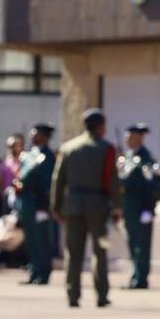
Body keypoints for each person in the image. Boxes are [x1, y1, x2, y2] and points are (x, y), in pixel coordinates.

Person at [52, 109, 117, 308]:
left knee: (73, 252)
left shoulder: (68, 148)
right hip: (98, 206)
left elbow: (58, 180)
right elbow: (112, 179)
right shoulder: (106, 148)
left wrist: (56, 206)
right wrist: (117, 206)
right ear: (101, 126)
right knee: (101, 251)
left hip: (73, 205)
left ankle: (73, 294)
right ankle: (102, 294)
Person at [117, 124, 160, 290]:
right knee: (132, 242)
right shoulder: (128, 156)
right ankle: (135, 275)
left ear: (139, 138)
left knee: (142, 245)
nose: (127, 139)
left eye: (130, 136)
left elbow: (151, 185)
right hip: (129, 207)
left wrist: (148, 209)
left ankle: (141, 278)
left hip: (141, 207)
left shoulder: (145, 158)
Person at [16, 122, 57, 285]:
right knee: (31, 240)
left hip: (38, 203)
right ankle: (34, 271)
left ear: (45, 136)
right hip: (26, 202)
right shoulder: (29, 154)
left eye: (36, 133)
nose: (32, 135)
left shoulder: (47, 156)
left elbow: (47, 185)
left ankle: (43, 274)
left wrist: (43, 207)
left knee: (42, 241)